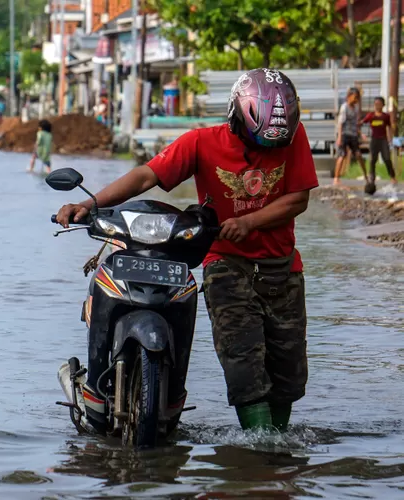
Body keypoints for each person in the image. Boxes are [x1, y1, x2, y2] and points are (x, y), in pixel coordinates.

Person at [56, 68, 318, 433]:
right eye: (259, 141)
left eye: (275, 143)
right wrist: (91, 204)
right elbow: (146, 176)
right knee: (242, 363)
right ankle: (261, 452)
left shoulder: (293, 136)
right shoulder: (200, 143)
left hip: (282, 268)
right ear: (237, 118)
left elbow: (298, 199)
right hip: (226, 263)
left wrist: (249, 222)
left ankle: (276, 444)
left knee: (288, 371)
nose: (267, 150)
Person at [334, 88, 368, 186]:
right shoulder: (344, 107)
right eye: (355, 97)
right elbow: (340, 123)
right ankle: (336, 178)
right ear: (349, 96)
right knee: (342, 155)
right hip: (344, 134)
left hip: (353, 135)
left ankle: (366, 176)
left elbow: (355, 124)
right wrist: (339, 137)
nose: (356, 99)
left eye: (358, 98)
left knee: (358, 155)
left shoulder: (356, 108)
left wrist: (360, 133)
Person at [362, 96, 397, 186]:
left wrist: (390, 138)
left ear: (383, 105)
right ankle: (372, 178)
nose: (377, 106)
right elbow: (362, 122)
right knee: (373, 160)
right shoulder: (371, 115)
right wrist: (361, 134)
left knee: (387, 159)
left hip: (383, 140)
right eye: (375, 104)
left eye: (379, 104)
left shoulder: (385, 116)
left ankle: (392, 176)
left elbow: (389, 127)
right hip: (374, 140)